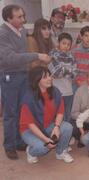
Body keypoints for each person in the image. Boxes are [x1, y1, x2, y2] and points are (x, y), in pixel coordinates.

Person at [0, 4, 51, 160]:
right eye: (19, 17)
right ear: (9, 18)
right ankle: (9, 146)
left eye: (23, 15)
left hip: (23, 75)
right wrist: (37, 55)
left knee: (22, 110)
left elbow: (22, 56)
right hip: (10, 75)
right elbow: (10, 58)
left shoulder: (21, 32)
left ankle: (18, 141)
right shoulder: (2, 34)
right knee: (10, 113)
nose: (24, 19)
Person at [20, 66, 74, 164]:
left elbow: (60, 111)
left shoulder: (55, 91)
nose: (50, 78)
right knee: (43, 147)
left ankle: (61, 152)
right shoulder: (28, 98)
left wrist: (57, 127)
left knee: (67, 127)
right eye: (45, 77)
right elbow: (30, 125)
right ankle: (31, 152)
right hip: (29, 130)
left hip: (48, 125)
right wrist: (46, 140)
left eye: (49, 75)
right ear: (36, 80)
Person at [48, 32, 77, 123]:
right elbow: (56, 73)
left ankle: (66, 136)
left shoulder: (71, 56)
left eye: (68, 44)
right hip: (55, 92)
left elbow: (74, 73)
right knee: (56, 116)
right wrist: (68, 70)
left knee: (67, 115)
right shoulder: (52, 55)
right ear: (58, 43)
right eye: (64, 43)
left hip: (69, 92)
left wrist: (63, 70)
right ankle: (55, 135)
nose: (66, 46)